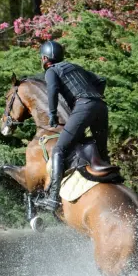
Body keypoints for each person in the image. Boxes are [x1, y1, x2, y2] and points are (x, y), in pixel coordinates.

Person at [36, 40, 110, 212]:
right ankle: (113, 184)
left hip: (84, 107)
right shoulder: (74, 67)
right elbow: (101, 80)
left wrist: (53, 114)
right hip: (101, 106)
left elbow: (53, 90)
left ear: (45, 58)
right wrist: (94, 98)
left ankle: (53, 199)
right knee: (102, 152)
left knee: (59, 150)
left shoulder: (51, 71)